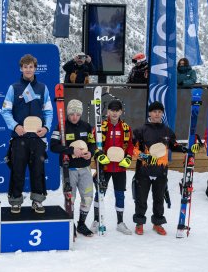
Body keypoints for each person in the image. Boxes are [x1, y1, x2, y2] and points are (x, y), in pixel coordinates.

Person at [132, 101, 200, 235]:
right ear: (149, 113)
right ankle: (139, 223)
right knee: (141, 198)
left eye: (159, 112)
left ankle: (157, 223)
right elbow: (133, 149)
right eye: (154, 111)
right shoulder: (140, 130)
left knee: (159, 199)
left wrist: (188, 149)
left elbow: (175, 146)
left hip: (161, 171)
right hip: (143, 171)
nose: (157, 114)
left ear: (162, 114)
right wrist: (144, 157)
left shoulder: (167, 131)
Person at [1, 54, 53, 214]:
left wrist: (46, 128)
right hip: (19, 137)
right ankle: (15, 201)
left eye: (31, 67)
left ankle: (37, 200)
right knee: (17, 170)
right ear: (21, 68)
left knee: (38, 170)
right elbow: (5, 111)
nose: (28, 69)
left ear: (35, 68)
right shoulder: (13, 88)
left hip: (37, 138)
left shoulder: (42, 88)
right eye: (25, 66)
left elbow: (49, 111)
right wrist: (15, 126)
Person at [50, 99, 96, 237]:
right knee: (70, 198)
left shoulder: (87, 127)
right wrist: (70, 150)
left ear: (80, 114)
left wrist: (90, 153)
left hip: (85, 169)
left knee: (87, 197)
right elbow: (53, 146)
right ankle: (71, 225)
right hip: (68, 169)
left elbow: (93, 144)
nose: (74, 117)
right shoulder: (61, 127)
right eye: (71, 114)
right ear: (67, 114)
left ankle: (81, 224)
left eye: (77, 114)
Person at [89, 100, 134, 235]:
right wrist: (98, 154)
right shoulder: (100, 126)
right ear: (107, 112)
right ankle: (97, 220)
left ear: (121, 112)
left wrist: (128, 158)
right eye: (112, 110)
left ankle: (120, 222)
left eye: (117, 110)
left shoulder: (126, 128)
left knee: (120, 195)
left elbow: (130, 145)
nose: (114, 113)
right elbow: (92, 143)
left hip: (120, 168)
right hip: (105, 167)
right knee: (99, 193)